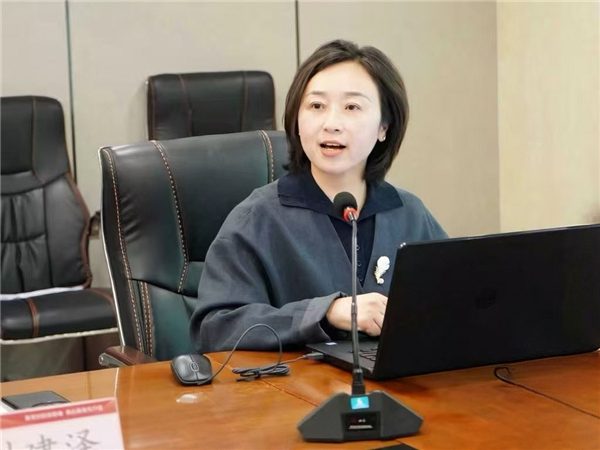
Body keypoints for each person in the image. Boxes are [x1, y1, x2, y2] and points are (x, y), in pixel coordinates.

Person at [189, 40, 447, 353]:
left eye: (352, 107)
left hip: (402, 379)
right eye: (316, 106)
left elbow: (457, 304)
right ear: (297, 121)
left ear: (384, 127)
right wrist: (326, 313)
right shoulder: (257, 219)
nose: (331, 124)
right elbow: (215, 329)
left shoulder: (408, 213)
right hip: (300, 383)